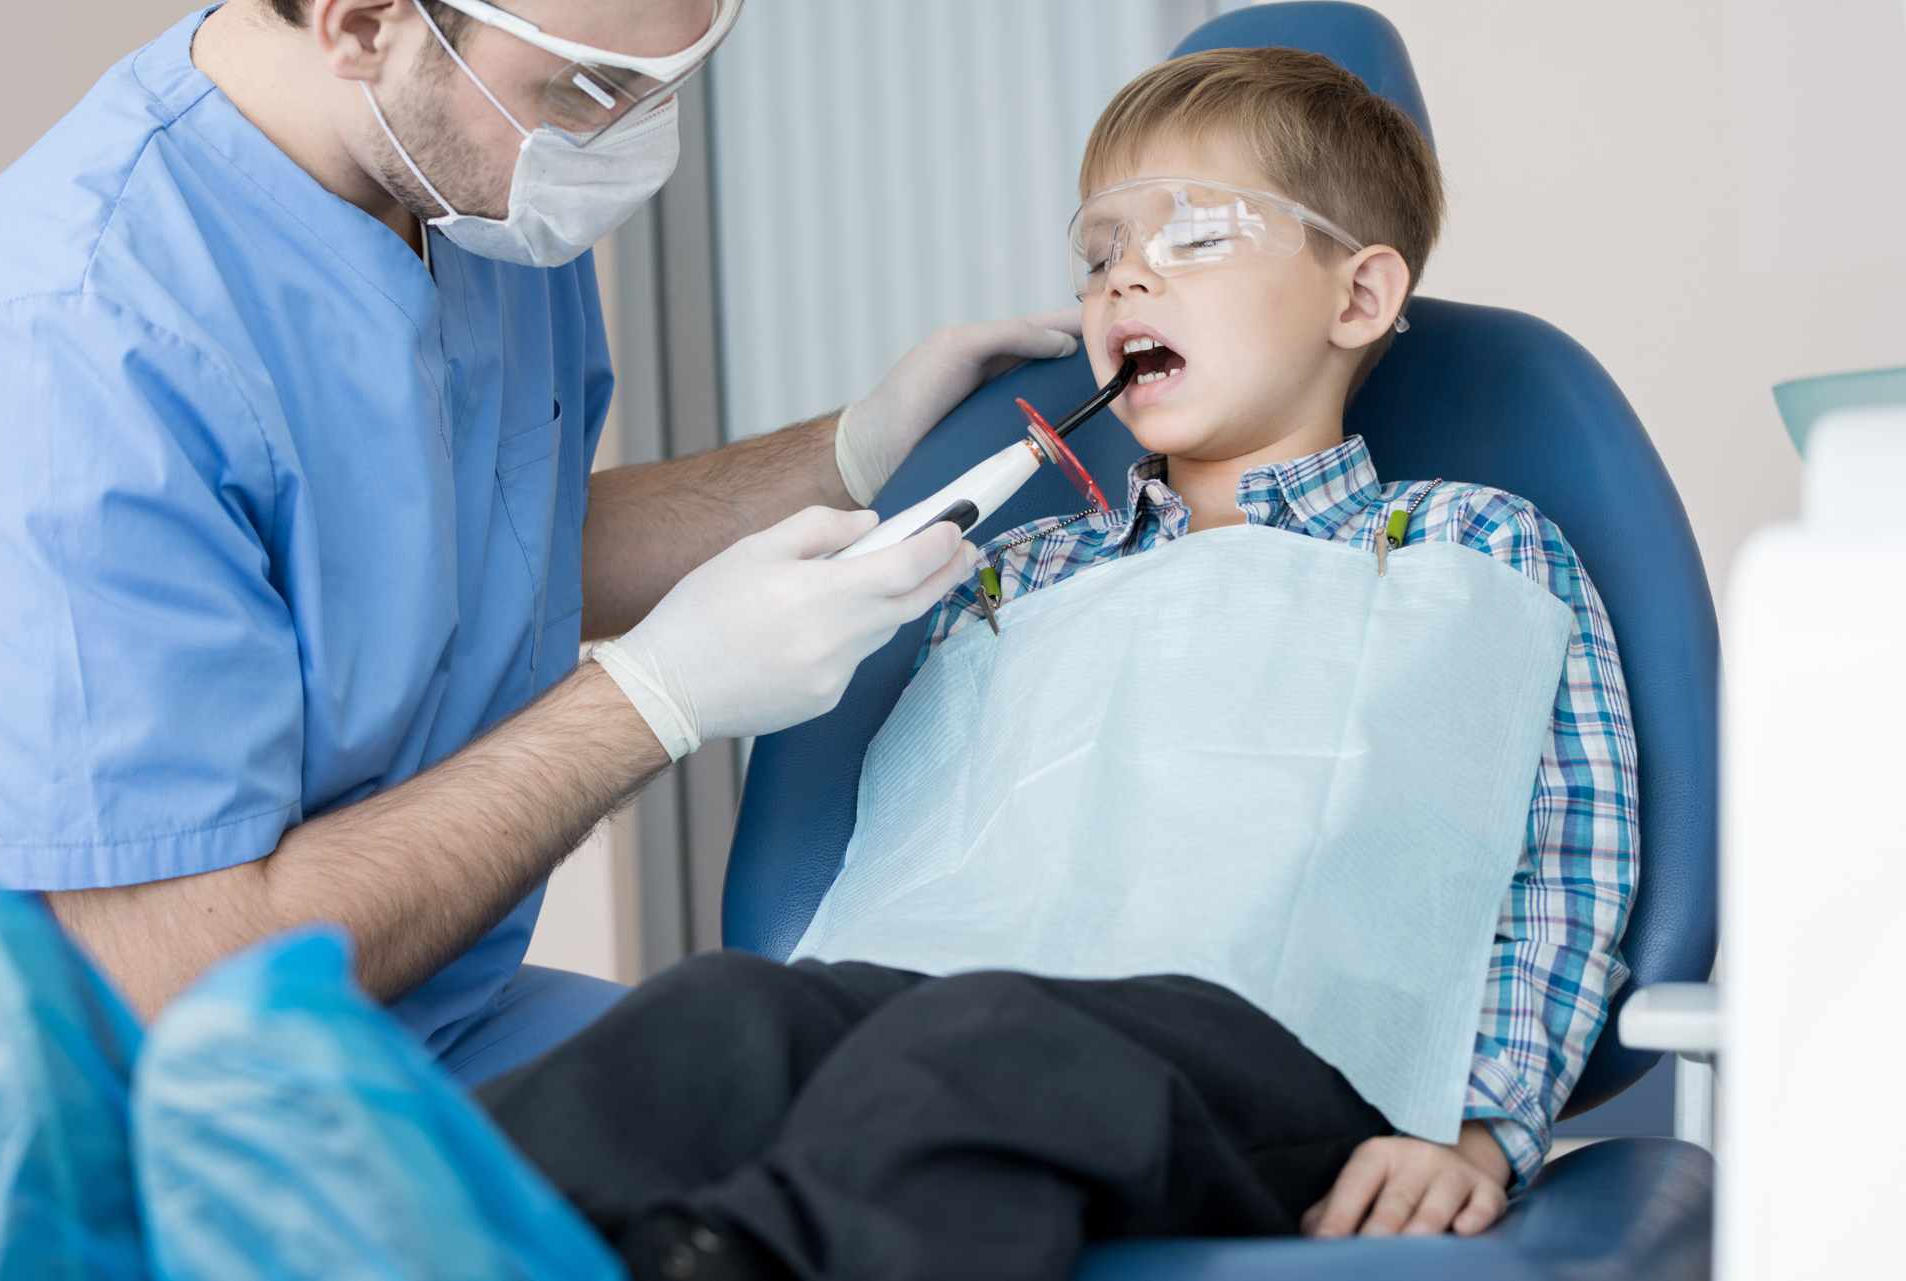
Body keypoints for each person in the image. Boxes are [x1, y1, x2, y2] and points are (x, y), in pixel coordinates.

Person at [466, 46, 1640, 1280]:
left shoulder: (1470, 546)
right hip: (972, 1013)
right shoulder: (1016, 576)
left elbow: (1567, 856)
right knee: (724, 1013)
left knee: (984, 1032)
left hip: (1298, 1054)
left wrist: (1475, 1128)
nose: (1123, 275)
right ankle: (395, 1228)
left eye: (1189, 239)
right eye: (1096, 256)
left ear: (1355, 299)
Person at [0, 0, 1076, 1078]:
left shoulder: (455, 179)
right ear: (362, 25)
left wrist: (849, 452)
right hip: (193, 1113)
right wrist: (652, 702)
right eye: (592, 88)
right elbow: (176, 972)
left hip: (447, 1016)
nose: (631, 140)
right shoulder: (81, 344)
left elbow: (481, 555)